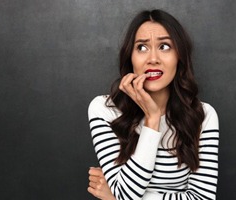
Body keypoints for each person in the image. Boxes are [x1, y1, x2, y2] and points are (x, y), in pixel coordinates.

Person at [87, 9, 219, 200]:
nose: (153, 59)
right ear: (130, 57)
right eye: (141, 47)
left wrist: (114, 196)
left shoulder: (203, 116)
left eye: (165, 46)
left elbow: (203, 198)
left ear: (179, 57)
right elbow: (126, 194)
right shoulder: (104, 109)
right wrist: (153, 119)